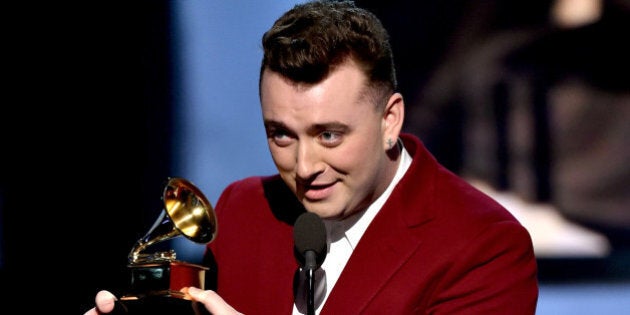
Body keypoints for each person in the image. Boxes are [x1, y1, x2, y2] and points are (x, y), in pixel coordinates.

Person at [84, 1, 538, 314]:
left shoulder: (484, 246)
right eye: (281, 135)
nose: (304, 167)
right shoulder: (243, 211)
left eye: (330, 135)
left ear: (390, 120)